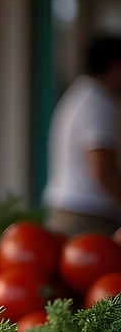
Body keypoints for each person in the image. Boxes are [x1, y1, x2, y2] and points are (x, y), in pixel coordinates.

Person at [43, 35, 121, 237]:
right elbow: (102, 170)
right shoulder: (97, 104)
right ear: (115, 67)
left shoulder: (81, 95)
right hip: (87, 219)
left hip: (71, 213)